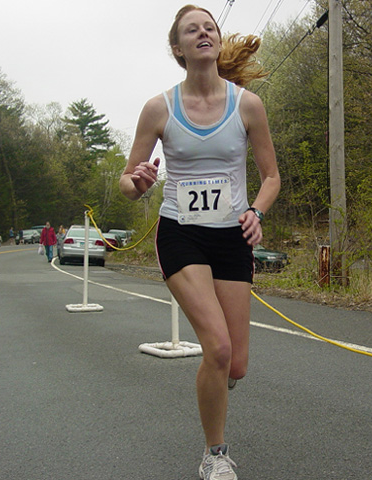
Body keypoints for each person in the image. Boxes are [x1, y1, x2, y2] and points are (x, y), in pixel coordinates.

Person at [120, 5, 280, 479]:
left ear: (217, 40)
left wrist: (256, 212)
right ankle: (215, 455)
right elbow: (126, 183)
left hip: (232, 236)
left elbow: (271, 177)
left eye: (210, 27)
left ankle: (216, 379)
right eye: (192, 30)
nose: (203, 33)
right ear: (179, 48)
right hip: (181, 233)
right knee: (219, 348)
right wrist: (139, 182)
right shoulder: (159, 108)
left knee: (236, 365)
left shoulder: (248, 105)